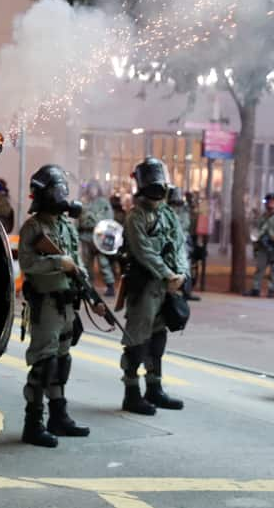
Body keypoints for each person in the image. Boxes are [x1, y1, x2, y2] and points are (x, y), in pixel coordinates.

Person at [18, 165, 92, 448]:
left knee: (62, 362)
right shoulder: (34, 228)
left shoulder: (65, 227)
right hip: (46, 305)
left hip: (67, 304)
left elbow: (78, 264)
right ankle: (33, 423)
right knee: (44, 363)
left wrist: (89, 296)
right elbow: (28, 264)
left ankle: (58, 416)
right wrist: (58, 263)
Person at [119, 158, 188, 416]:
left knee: (158, 338)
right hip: (145, 285)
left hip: (167, 287)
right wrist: (169, 274)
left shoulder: (168, 213)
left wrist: (181, 274)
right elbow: (143, 251)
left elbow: (180, 244)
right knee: (137, 339)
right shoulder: (136, 216)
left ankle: (154, 387)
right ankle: (131, 392)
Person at [245, 193, 274, 298]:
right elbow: (256, 230)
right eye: (269, 201)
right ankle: (256, 288)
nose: (270, 203)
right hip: (263, 246)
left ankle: (272, 290)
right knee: (260, 268)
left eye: (273, 201)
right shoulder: (263, 217)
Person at [78, 180, 116, 297]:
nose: (92, 191)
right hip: (86, 236)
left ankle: (110, 285)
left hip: (100, 236)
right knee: (86, 264)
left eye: (94, 188)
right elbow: (79, 219)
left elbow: (109, 217)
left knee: (103, 262)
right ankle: (88, 286)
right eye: (90, 189)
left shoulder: (103, 202)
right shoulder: (84, 202)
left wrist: (97, 220)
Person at [168, 187, 200, 302]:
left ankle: (186, 290)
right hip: (173, 240)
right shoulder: (168, 209)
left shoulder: (184, 209)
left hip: (183, 240)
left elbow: (188, 224)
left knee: (186, 266)